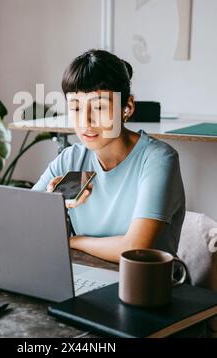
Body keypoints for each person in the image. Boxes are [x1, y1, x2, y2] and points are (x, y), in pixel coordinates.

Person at [31, 49, 186, 263]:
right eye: (75, 108)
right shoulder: (70, 159)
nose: (85, 121)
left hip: (148, 285)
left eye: (99, 107)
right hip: (84, 274)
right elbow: (24, 224)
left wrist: (71, 241)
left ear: (127, 107)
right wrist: (53, 202)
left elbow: (135, 248)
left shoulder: (158, 159)